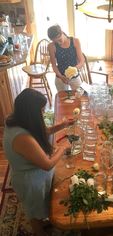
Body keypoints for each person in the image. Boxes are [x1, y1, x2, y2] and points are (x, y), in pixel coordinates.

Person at [3, 88, 74, 236]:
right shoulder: (22, 138)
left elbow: (39, 131)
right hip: (29, 180)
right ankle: (38, 231)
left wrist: (62, 125)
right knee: (33, 211)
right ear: (31, 113)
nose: (42, 113)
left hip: (32, 171)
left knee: (41, 205)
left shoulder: (16, 119)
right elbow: (47, 165)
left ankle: (44, 221)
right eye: (41, 111)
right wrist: (62, 148)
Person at [47, 24, 85, 91]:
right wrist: (61, 77)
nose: (58, 43)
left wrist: (74, 69)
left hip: (75, 76)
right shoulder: (51, 46)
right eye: (55, 41)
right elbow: (54, 65)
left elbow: (82, 61)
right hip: (60, 78)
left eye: (59, 40)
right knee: (63, 100)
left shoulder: (75, 41)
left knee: (79, 97)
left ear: (62, 33)